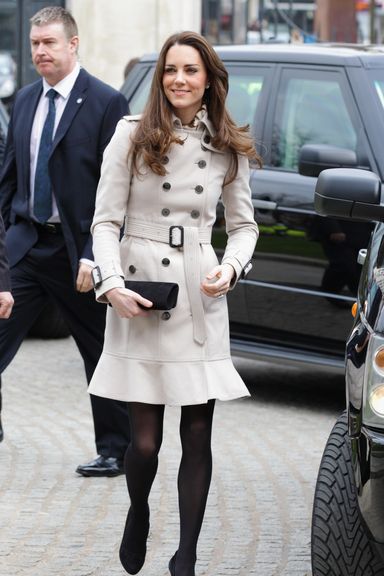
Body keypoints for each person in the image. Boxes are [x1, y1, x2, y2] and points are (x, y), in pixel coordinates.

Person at [89, 31, 260, 575]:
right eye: (170, 71)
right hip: (139, 292)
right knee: (143, 444)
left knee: (198, 433)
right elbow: (104, 222)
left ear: (208, 79)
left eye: (190, 70)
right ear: (160, 79)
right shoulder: (132, 136)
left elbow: (245, 226)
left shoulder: (228, 145)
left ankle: (185, 555)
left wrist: (230, 268)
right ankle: (137, 510)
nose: (179, 80)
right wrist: (110, 283)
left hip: (198, 295)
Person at [0, 6, 131, 477]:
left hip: (79, 252)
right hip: (26, 246)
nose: (40, 52)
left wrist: (98, 254)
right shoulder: (25, 101)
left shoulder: (106, 102)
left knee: (100, 351)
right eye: (35, 43)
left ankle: (117, 449)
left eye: (49, 43)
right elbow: (8, 182)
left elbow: (118, 190)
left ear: (73, 45)